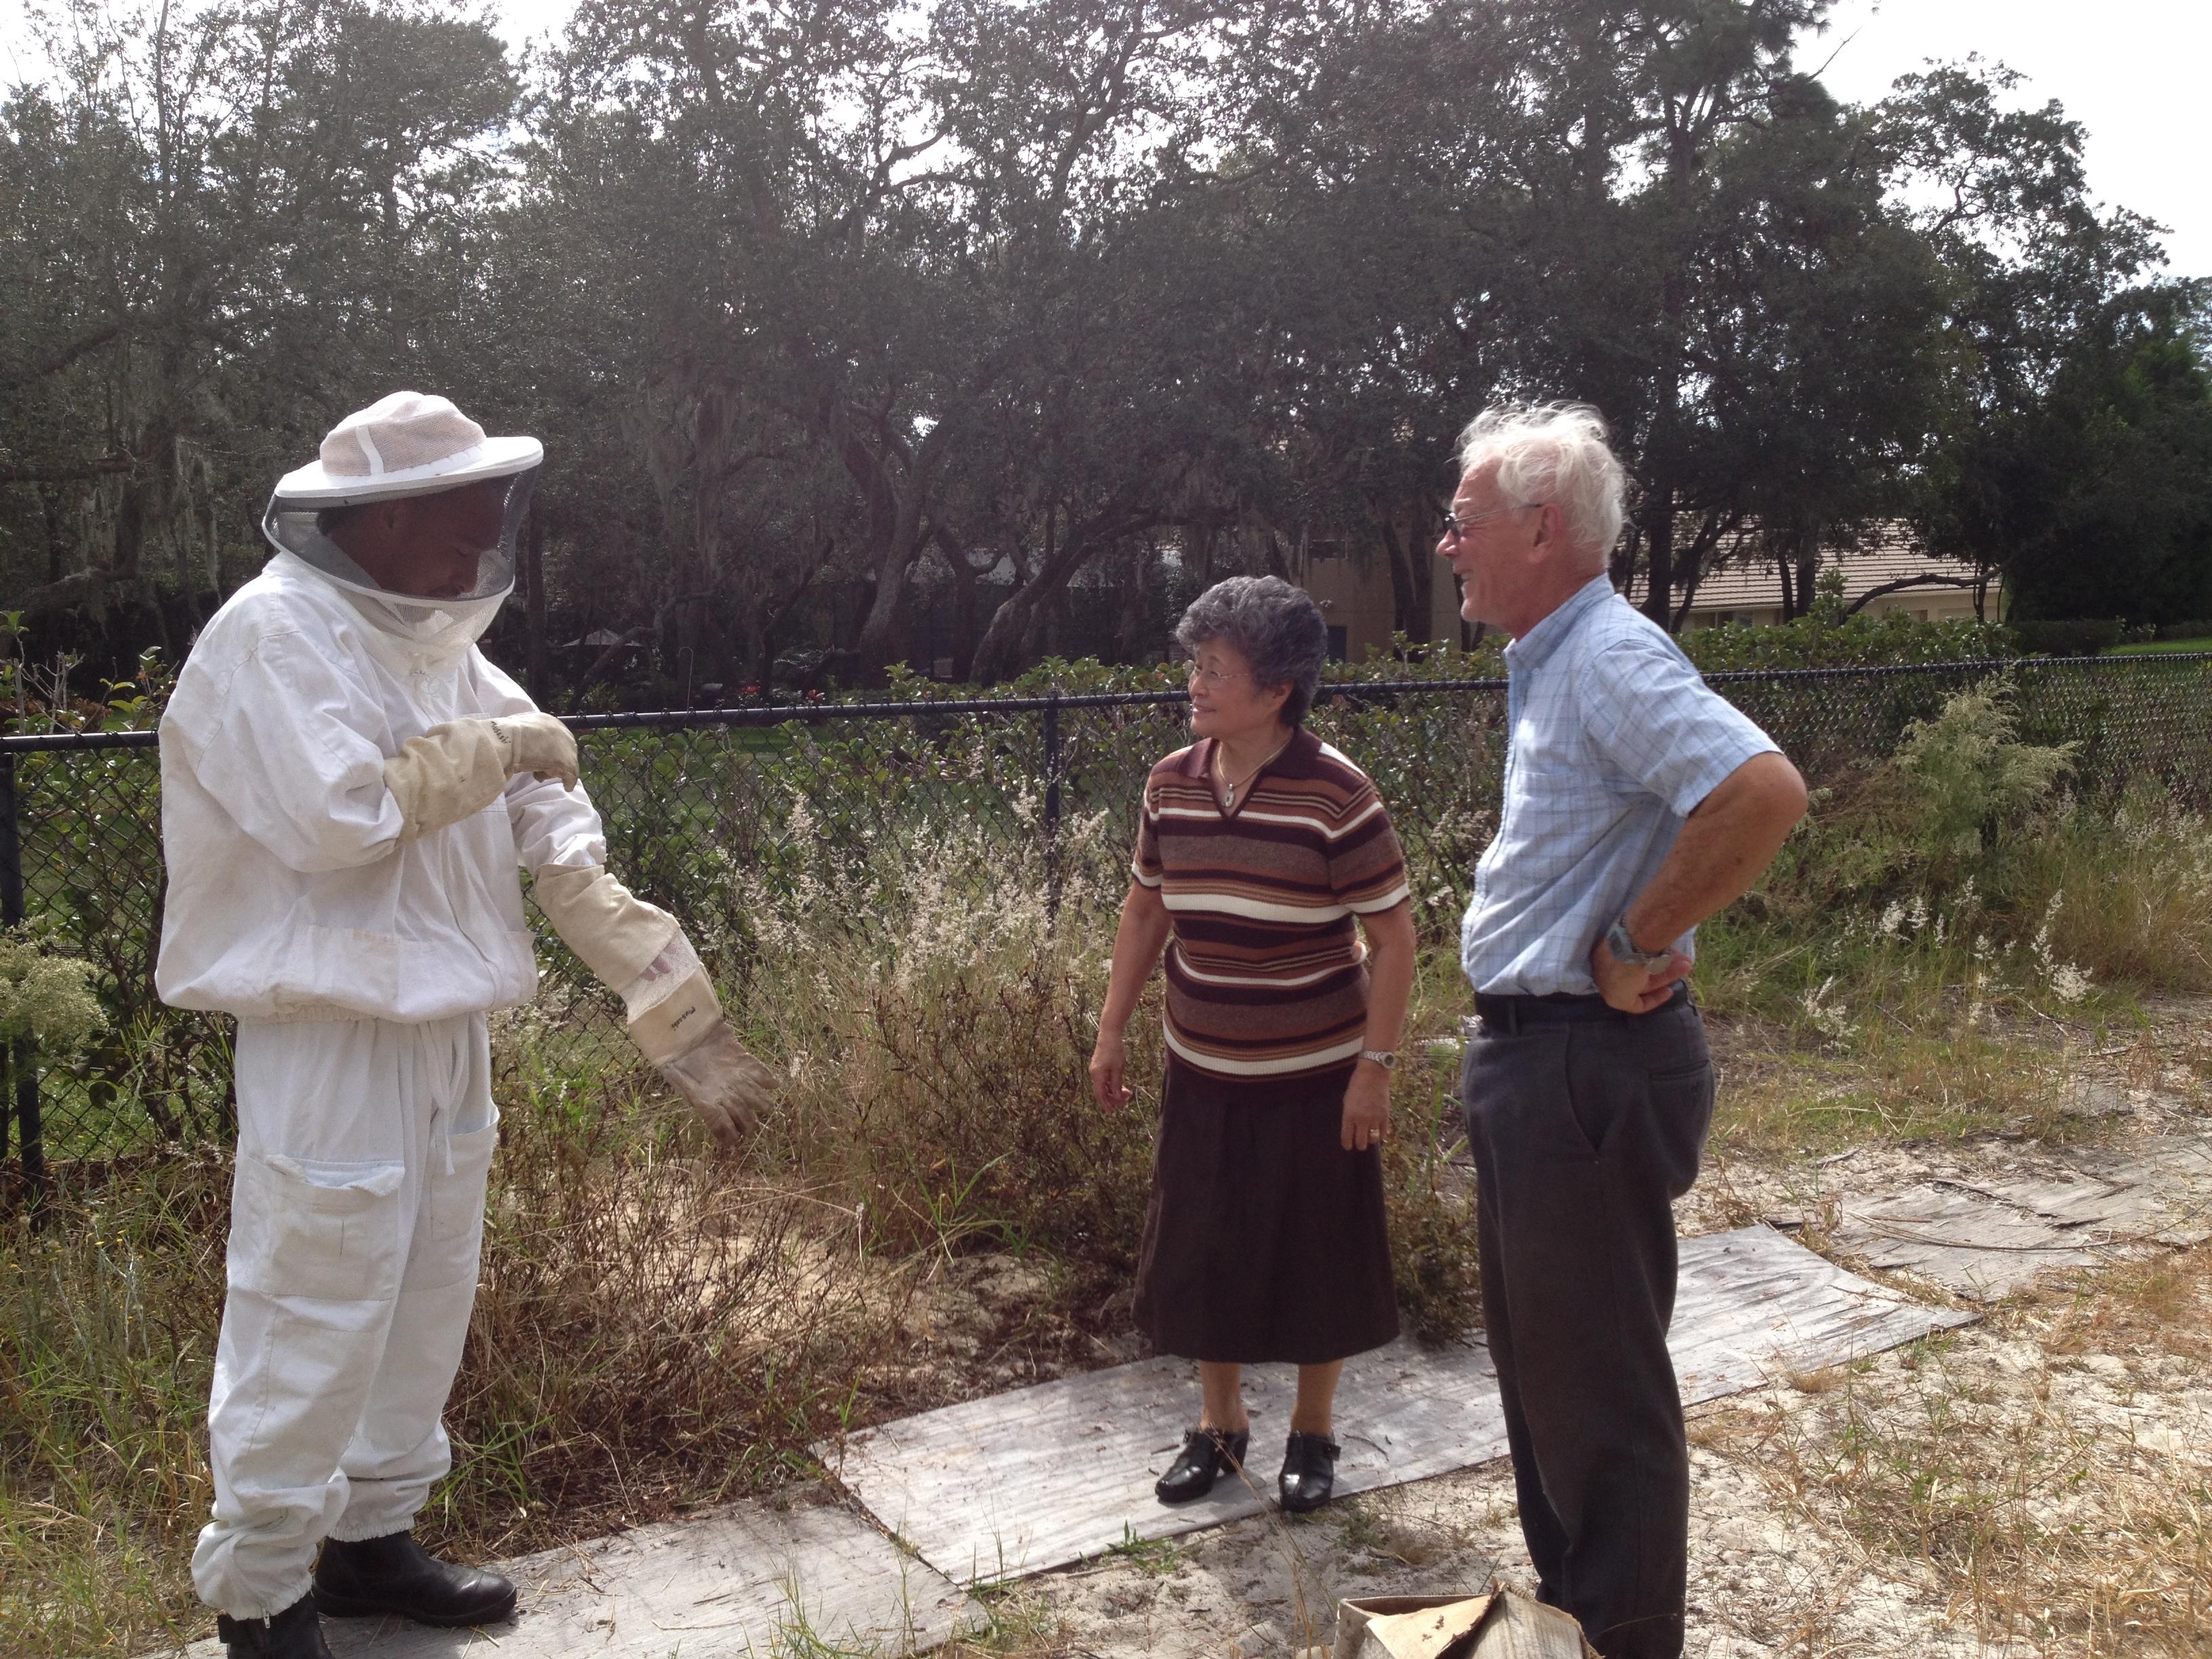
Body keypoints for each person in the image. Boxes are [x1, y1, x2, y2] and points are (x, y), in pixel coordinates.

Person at [157, 392, 780, 1659]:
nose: (484, 549)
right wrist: (498, 755)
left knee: (425, 1288)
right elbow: (338, 815)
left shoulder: (437, 635)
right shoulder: (273, 635)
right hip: (327, 1031)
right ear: (381, 518)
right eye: (463, 523)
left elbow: (541, 788)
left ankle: (370, 1545)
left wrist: (631, 944)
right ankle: (265, 1591)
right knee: (314, 1297)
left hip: (447, 1027)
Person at [1436, 404, 1807, 1658]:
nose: (1450, 547)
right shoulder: (1556, 658)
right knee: (1550, 1379)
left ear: (1541, 530)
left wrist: (1642, 937)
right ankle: (1582, 1628)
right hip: (1542, 1064)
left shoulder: (1606, 655)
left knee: (1596, 1392)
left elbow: (1760, 792)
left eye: (1465, 523)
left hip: (1582, 1066)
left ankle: (1624, 1642)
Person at [1088, 575, 1416, 1515]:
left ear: (1277, 691)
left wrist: (1374, 1072)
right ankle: (1219, 1428)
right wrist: (1111, 1030)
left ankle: (1312, 1437)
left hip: (1317, 1077)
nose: (1196, 684)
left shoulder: (1337, 794)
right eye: (1196, 664)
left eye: (1218, 670)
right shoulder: (1171, 782)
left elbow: (1395, 941)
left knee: (1321, 1256)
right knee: (1201, 1249)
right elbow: (1145, 908)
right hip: (1203, 1067)